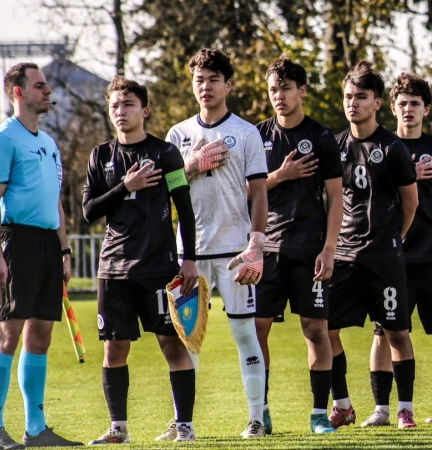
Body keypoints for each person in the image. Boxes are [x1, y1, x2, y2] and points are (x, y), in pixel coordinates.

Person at [82, 76, 200, 444]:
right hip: (113, 268)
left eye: (128, 104)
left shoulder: (166, 154)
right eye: (115, 105)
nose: (121, 112)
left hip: (159, 267)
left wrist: (190, 259)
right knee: (114, 348)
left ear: (144, 110)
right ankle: (118, 428)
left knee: (172, 345)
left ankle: (184, 426)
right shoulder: (100, 156)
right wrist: (125, 187)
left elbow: (184, 206)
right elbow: (88, 211)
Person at [163, 48, 270, 439]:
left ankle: (256, 418)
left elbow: (259, 193)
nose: (204, 87)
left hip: (234, 253)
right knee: (187, 341)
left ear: (228, 84)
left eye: (212, 79)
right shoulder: (178, 134)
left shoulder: (246, 133)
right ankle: (183, 423)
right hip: (189, 256)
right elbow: (167, 191)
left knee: (245, 334)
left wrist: (256, 244)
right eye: (198, 80)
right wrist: (190, 166)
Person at [359, 73, 432, 427]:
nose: (408, 109)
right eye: (403, 103)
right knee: (385, 332)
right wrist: (406, 175)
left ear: (426, 109)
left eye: (415, 104)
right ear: (391, 107)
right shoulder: (382, 147)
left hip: (431, 254)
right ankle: (382, 408)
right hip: (389, 256)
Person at [0, 62, 82, 448]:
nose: (48, 91)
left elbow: (55, 202)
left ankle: (36, 430)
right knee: (9, 334)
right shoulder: (2, 138)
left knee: (40, 336)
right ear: (18, 92)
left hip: (47, 246)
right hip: (16, 242)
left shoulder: (49, 142)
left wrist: (65, 249)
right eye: (40, 85)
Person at [326, 61, 420, 429]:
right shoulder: (334, 145)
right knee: (325, 330)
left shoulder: (392, 147)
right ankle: (344, 405)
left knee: (396, 331)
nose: (353, 103)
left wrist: (394, 238)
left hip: (383, 257)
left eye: (361, 97)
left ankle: (404, 409)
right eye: (349, 96)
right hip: (345, 256)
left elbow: (410, 202)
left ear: (378, 103)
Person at [253, 55, 342, 434]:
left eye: (286, 89)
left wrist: (329, 248)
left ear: (301, 91)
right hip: (267, 249)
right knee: (257, 330)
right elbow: (244, 191)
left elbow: (337, 198)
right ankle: (262, 410)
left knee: (315, 330)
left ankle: (320, 414)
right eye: (274, 89)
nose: (279, 96)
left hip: (309, 249)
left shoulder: (322, 137)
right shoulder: (256, 135)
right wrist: (280, 175)